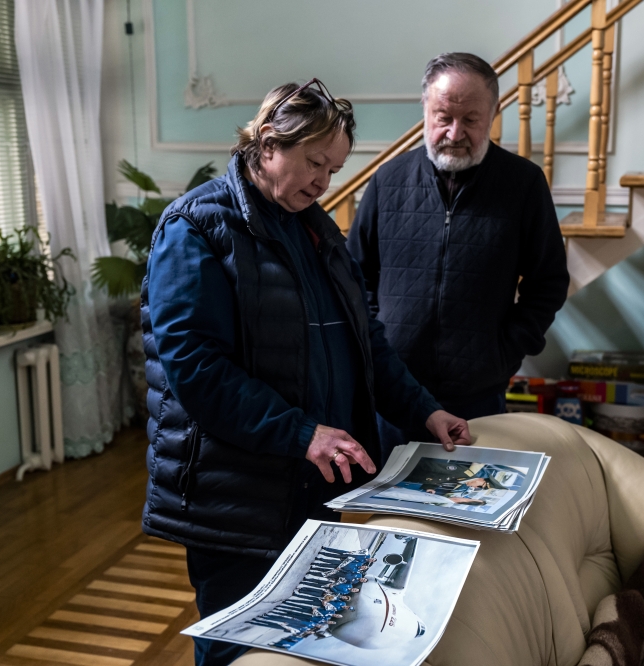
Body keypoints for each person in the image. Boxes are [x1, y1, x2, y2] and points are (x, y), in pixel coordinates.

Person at [141, 78, 472, 665]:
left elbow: (366, 344)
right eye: (315, 162)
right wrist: (302, 433)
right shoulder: (193, 225)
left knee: (305, 647)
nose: (324, 181)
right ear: (269, 142)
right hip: (238, 497)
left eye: (334, 169)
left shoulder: (318, 229)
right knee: (237, 651)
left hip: (316, 484)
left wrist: (425, 410)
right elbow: (196, 370)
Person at [348, 53, 569, 455]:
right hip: (392, 392)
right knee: (384, 494)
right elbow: (353, 277)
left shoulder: (524, 185)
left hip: (478, 397)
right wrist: (377, 340)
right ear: (425, 110)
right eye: (443, 117)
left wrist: (504, 352)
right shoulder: (387, 181)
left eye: (470, 119)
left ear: (493, 114)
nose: (454, 132)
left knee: (467, 495)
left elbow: (548, 282)